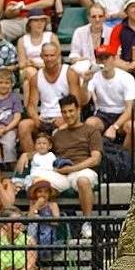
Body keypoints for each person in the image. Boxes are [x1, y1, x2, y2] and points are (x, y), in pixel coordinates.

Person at [48, 94, 101, 235]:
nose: (68, 115)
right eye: (64, 112)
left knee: (82, 180)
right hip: (61, 172)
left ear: (78, 110)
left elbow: (95, 159)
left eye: (71, 111)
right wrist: (25, 155)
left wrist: (72, 169)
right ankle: (44, 224)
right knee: (39, 182)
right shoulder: (57, 134)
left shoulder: (91, 130)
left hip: (83, 169)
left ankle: (87, 222)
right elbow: (44, 150)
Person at [17, 41, 83, 154]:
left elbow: (77, 103)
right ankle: (34, 160)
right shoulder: (36, 78)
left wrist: (64, 119)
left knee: (61, 130)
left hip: (65, 117)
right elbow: (31, 106)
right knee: (24, 126)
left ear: (58, 56)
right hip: (44, 119)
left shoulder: (69, 73)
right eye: (46, 55)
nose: (49, 58)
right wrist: (35, 118)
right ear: (41, 56)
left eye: (52, 55)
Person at [83, 44, 135, 150]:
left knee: (134, 128)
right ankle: (99, 157)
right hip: (102, 113)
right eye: (100, 58)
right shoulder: (94, 77)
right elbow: (84, 101)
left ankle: (124, 158)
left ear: (113, 58)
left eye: (106, 57)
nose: (104, 61)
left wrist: (114, 127)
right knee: (89, 124)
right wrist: (85, 82)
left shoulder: (126, 78)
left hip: (121, 114)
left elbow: (129, 109)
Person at [15, 10, 53, 102]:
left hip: (47, 69)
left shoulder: (51, 37)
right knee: (30, 71)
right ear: (29, 24)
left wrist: (38, 65)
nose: (39, 24)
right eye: (36, 21)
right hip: (28, 70)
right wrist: (29, 63)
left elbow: (57, 61)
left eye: (42, 21)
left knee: (27, 85)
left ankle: (29, 112)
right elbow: (21, 64)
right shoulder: (22, 40)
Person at [68, 4, 111, 71]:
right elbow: (74, 55)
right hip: (85, 69)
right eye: (94, 17)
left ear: (104, 17)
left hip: (106, 68)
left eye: (100, 16)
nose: (97, 19)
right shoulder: (79, 32)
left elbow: (116, 55)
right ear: (88, 18)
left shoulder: (111, 32)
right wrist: (80, 59)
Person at [107, 0, 135, 75]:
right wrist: (128, 66)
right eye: (133, 7)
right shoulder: (118, 30)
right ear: (126, 10)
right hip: (123, 71)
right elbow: (113, 57)